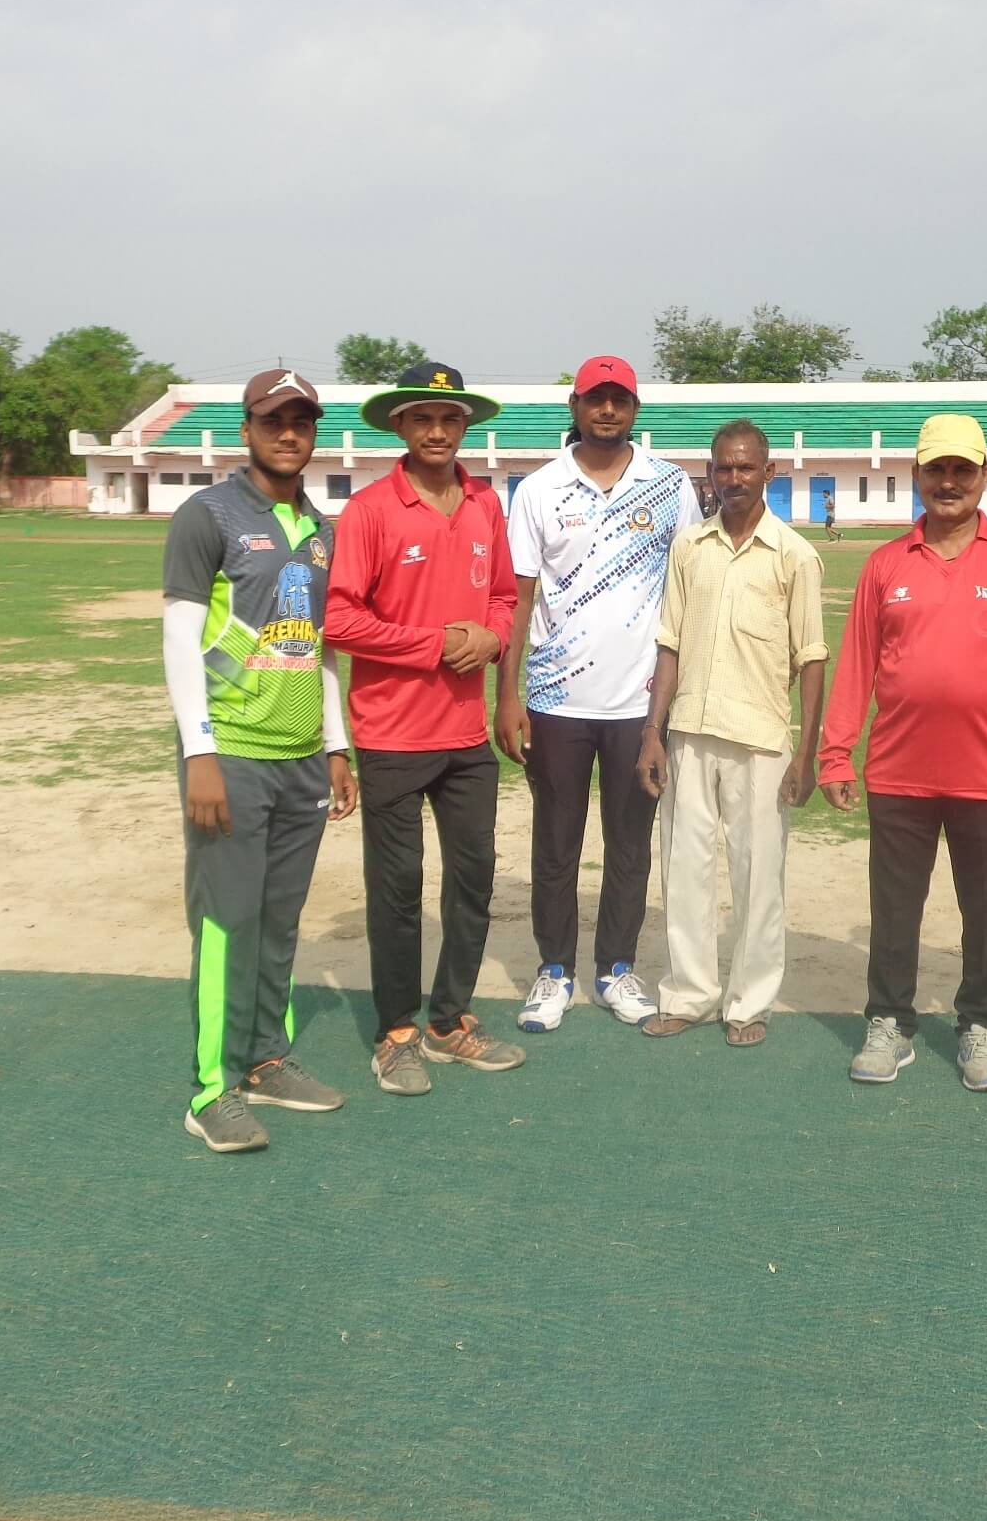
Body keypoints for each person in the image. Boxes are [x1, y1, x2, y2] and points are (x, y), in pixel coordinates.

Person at [818, 414, 987, 1091]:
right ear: (917, 475)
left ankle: (981, 1024)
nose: (949, 483)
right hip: (900, 772)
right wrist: (836, 752)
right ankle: (890, 1022)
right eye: (937, 469)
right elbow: (856, 667)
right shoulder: (885, 565)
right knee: (895, 909)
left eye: (963, 470)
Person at [162, 368, 359, 1153]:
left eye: (302, 421)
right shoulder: (207, 514)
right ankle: (212, 1088)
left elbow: (317, 649)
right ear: (247, 428)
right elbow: (181, 638)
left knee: (280, 920)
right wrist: (200, 753)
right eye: (275, 420)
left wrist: (337, 745)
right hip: (232, 754)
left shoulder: (319, 530)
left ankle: (266, 1061)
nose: (289, 433)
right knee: (225, 921)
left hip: (300, 756)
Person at [324, 361, 524, 1096]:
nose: (437, 431)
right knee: (398, 888)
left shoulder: (483, 504)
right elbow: (340, 619)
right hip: (392, 734)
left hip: (465, 734)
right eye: (421, 419)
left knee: (473, 879)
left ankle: (450, 1020)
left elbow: (504, 598)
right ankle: (397, 1032)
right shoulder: (373, 510)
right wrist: (436, 642)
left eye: (450, 419)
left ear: (465, 425)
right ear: (400, 427)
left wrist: (493, 639)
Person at [497, 355, 700, 1033]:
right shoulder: (539, 489)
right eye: (594, 399)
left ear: (635, 409)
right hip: (555, 700)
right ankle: (554, 971)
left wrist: (671, 705)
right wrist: (508, 695)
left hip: (638, 707)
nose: (607, 410)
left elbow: (688, 595)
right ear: (575, 407)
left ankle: (616, 967)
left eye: (619, 399)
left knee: (630, 844)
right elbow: (519, 598)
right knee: (555, 844)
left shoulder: (669, 486)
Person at [635, 420, 828, 1045]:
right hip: (690, 729)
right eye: (724, 468)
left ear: (768, 472)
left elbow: (812, 657)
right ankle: (689, 993)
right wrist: (652, 734)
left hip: (762, 738)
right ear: (710, 474)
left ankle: (748, 1003)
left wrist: (807, 752)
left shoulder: (795, 554)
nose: (734, 479)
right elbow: (669, 642)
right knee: (685, 871)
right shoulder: (689, 547)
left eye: (746, 467)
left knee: (757, 874)